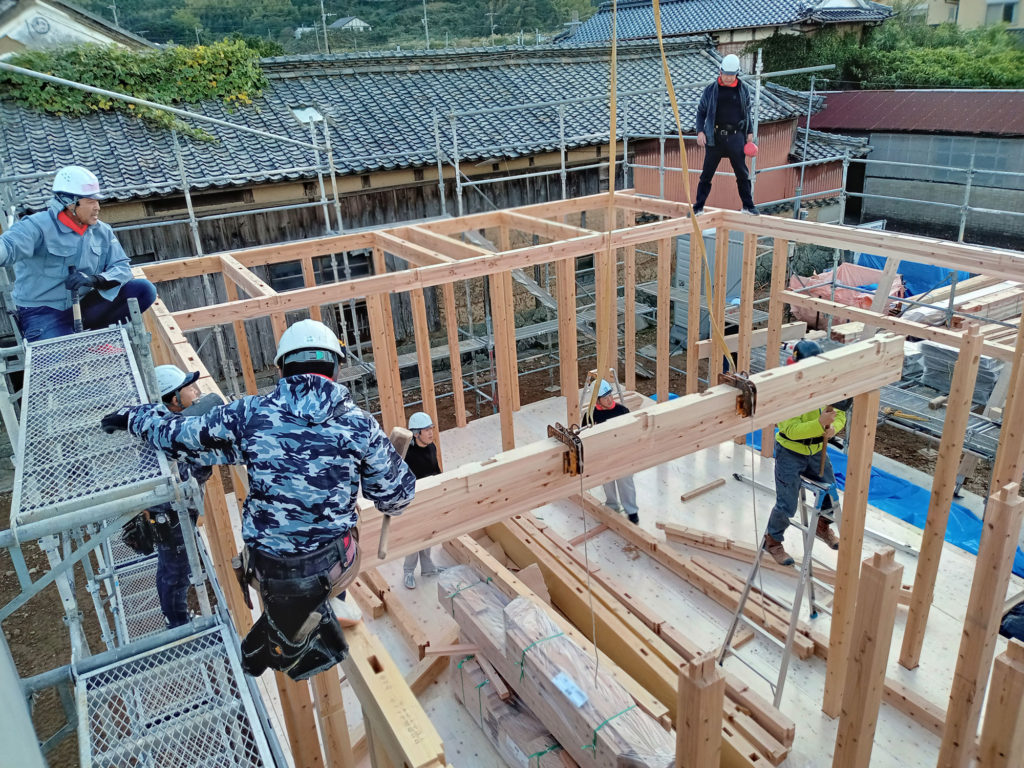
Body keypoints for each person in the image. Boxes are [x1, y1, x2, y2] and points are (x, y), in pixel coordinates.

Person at [101, 319, 416, 680]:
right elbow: (397, 499)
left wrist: (131, 416)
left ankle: (293, 623)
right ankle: (317, 613)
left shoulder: (249, 414)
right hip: (332, 569)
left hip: (266, 571)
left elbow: (175, 435)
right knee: (343, 536)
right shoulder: (360, 426)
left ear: (281, 369)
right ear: (336, 368)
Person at [0, 166, 156, 342]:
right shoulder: (36, 226)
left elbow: (122, 268)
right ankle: (77, 342)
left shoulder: (102, 231)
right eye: (90, 201)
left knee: (143, 290)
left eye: (97, 201)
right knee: (61, 358)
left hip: (83, 305)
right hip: (43, 312)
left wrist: (95, 280)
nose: (97, 207)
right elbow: (8, 246)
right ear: (69, 203)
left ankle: (96, 338)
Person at [147, 364, 223, 628]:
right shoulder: (166, 440)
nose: (196, 391)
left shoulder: (165, 425)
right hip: (170, 515)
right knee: (176, 571)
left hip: (174, 510)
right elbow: (186, 477)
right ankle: (178, 624)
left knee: (171, 566)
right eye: (189, 388)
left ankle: (174, 617)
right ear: (173, 399)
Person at [763, 340, 844, 566]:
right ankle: (772, 541)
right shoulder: (788, 390)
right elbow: (789, 429)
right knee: (786, 504)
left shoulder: (827, 384)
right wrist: (819, 424)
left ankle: (822, 526)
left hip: (817, 450)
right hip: (790, 451)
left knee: (830, 494)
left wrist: (834, 428)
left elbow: (840, 413)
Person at [693, 54, 759, 216]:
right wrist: (700, 131)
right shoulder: (710, 90)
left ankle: (748, 206)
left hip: (736, 136)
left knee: (742, 173)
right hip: (715, 137)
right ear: (720, 71)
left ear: (737, 73)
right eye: (726, 74)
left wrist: (750, 133)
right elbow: (701, 112)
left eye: (732, 75)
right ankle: (698, 207)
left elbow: (748, 113)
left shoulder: (743, 89)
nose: (728, 78)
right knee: (706, 174)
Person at [584, 380, 640, 525]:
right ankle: (612, 506)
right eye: (605, 397)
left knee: (625, 482)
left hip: (622, 453)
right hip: (603, 455)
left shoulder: (622, 411)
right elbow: (585, 436)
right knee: (607, 481)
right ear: (597, 400)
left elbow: (632, 432)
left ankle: (631, 511)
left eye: (610, 395)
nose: (609, 399)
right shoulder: (591, 416)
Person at [402, 411, 443, 589]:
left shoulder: (431, 447)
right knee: (414, 539)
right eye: (426, 430)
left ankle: (427, 568)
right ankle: (408, 571)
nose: (431, 433)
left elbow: (436, 470)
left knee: (427, 534)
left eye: (431, 429)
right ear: (416, 433)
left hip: (429, 499)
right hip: (413, 502)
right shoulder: (406, 455)